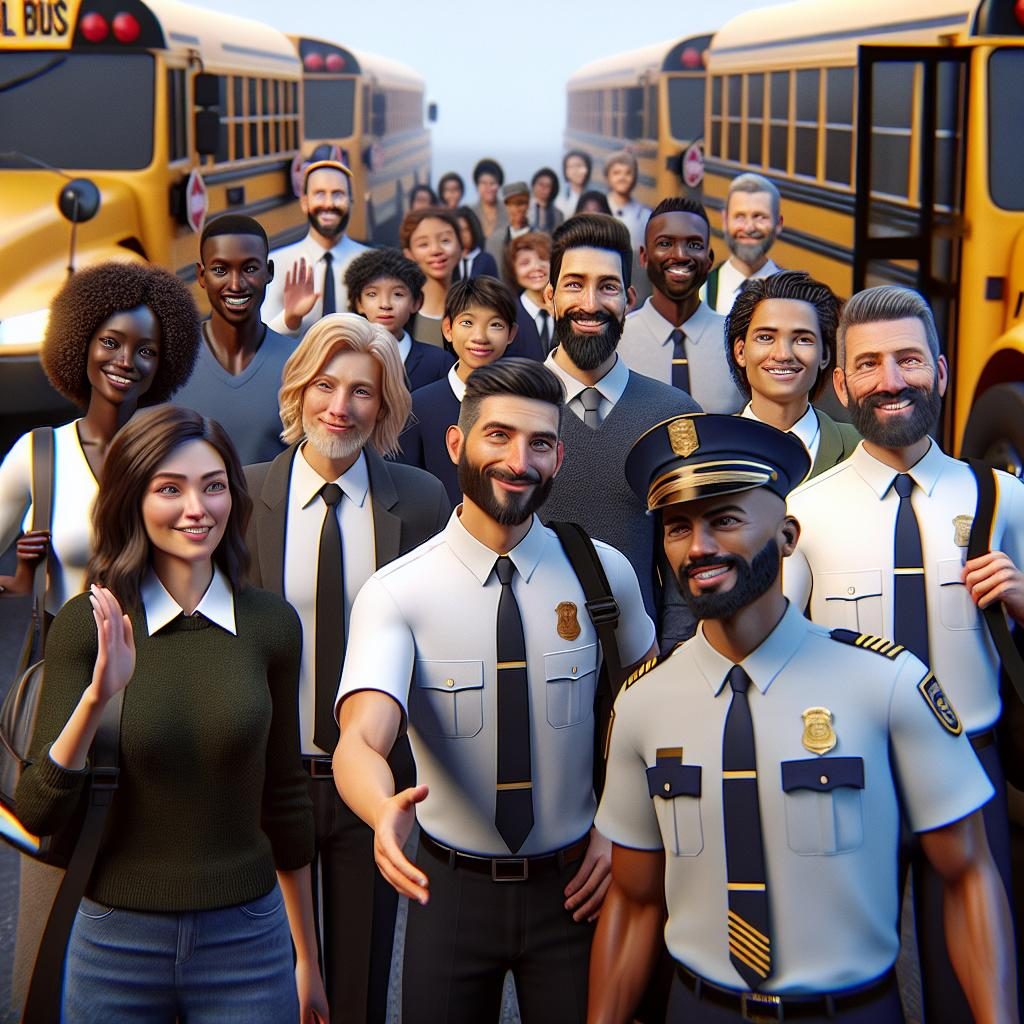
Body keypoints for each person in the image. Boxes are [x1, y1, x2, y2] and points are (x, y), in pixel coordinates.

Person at [588, 412, 1017, 1024]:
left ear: (788, 535)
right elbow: (631, 902)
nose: (699, 547)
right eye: (678, 527)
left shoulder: (889, 685)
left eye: (726, 519)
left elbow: (968, 876)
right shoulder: (642, 704)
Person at [333, 358, 658, 1024]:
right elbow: (362, 736)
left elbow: (656, 707)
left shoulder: (605, 574)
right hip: (448, 891)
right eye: (499, 437)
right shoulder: (399, 593)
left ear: (560, 456)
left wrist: (623, 825)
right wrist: (380, 810)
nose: (519, 461)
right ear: (457, 444)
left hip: (576, 887)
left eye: (540, 443)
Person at [15, 405, 328, 1023]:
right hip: (115, 941)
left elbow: (287, 799)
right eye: (170, 488)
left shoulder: (271, 624)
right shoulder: (89, 622)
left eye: (213, 486)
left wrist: (308, 961)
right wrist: (98, 697)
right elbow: (37, 809)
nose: (197, 508)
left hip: (249, 936)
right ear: (132, 498)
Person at [783, 284, 1024, 1023]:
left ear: (942, 373)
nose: (891, 381)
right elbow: (775, 658)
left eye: (909, 360)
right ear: (842, 382)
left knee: (973, 984)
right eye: (870, 365)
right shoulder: (804, 512)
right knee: (852, 981)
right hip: (851, 773)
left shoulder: (1002, 498)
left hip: (971, 762)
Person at [244, 314, 449, 1023]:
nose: (340, 406)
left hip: (375, 784)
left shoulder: (421, 502)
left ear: (385, 406)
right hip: (269, 780)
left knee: (358, 987)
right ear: (298, 389)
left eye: (362, 392)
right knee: (270, 982)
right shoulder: (240, 499)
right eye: (325, 385)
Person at [538, 214, 701, 648]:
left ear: (629, 298)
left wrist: (669, 660)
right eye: (574, 285)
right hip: (529, 656)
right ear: (549, 296)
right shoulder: (510, 412)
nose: (590, 303)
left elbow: (689, 559)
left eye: (607, 287)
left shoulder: (675, 415)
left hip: (641, 662)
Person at [0, 262, 200, 610]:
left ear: (164, 363)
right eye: (110, 342)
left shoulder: (175, 454)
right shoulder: (39, 454)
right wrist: (20, 583)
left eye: (146, 351)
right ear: (81, 342)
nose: (125, 361)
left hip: (158, 656)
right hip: (69, 658)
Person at [172, 214, 297, 465]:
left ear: (269, 272)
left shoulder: (299, 363)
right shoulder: (171, 361)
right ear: (201, 275)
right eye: (220, 270)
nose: (236, 284)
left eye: (249, 268)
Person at [726, 270, 860, 477]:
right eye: (765, 337)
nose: (783, 355)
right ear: (740, 351)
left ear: (824, 355)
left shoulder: (863, 448)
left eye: (803, 340)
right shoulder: (708, 445)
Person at [399, 276, 518, 504]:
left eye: (495, 325)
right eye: (467, 323)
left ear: (511, 333)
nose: (480, 337)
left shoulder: (525, 406)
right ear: (447, 329)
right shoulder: (418, 406)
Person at [619, 198, 743, 414]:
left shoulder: (738, 341)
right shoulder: (615, 341)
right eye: (665, 243)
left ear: (709, 259)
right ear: (644, 257)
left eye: (694, 245)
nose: (680, 255)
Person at [262, 160, 369, 337]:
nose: (328, 204)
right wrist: (290, 317)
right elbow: (263, 340)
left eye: (338, 194)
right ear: (304, 202)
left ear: (351, 202)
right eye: (319, 194)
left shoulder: (371, 263)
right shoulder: (277, 263)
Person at [344, 247, 455, 391]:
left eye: (398, 294)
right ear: (359, 304)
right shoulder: (345, 358)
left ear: (416, 302)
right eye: (372, 294)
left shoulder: (439, 361)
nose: (385, 304)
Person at [703, 172, 783, 315]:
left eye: (760, 217)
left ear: (778, 224)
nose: (749, 228)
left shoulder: (796, 295)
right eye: (739, 217)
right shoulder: (699, 292)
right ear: (725, 220)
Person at [400, 207, 462, 349]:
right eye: (423, 244)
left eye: (445, 240)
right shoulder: (400, 316)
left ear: (460, 246)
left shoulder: (477, 307)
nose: (436, 250)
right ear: (408, 254)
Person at [507, 232, 554, 361]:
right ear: (513, 270)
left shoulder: (567, 311)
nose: (536, 267)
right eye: (525, 263)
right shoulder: (507, 315)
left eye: (543, 258)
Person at [602, 151, 649, 253]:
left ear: (635, 177)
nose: (622, 178)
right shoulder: (599, 208)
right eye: (616, 173)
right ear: (607, 177)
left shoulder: (644, 215)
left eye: (628, 173)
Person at [485, 182, 532, 272]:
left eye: (521, 203)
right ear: (505, 206)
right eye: (511, 204)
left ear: (528, 204)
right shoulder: (494, 241)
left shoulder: (542, 239)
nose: (517, 208)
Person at [453, 206, 500, 283]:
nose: (462, 235)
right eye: (458, 230)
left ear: (473, 229)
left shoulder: (486, 260)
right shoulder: (451, 262)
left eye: (466, 230)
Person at [469, 157, 508, 239]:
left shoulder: (509, 210)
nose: (488, 188)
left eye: (492, 183)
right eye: (483, 183)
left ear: (498, 185)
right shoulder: (470, 212)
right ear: (477, 185)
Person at [556, 150, 594, 221]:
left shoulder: (596, 197)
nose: (582, 170)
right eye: (574, 166)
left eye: (582, 166)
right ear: (566, 171)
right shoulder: (558, 198)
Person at [530, 167, 564, 234]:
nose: (543, 188)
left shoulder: (558, 214)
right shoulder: (524, 209)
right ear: (534, 185)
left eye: (548, 186)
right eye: (541, 184)